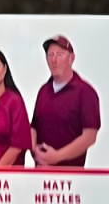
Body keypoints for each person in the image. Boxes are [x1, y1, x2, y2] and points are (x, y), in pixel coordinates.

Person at [31, 35, 101, 166]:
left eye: (59, 54)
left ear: (71, 58)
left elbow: (90, 136)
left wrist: (57, 157)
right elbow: (34, 126)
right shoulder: (43, 91)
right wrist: (35, 150)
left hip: (70, 174)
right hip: (40, 172)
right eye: (50, 55)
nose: (54, 60)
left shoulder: (85, 92)